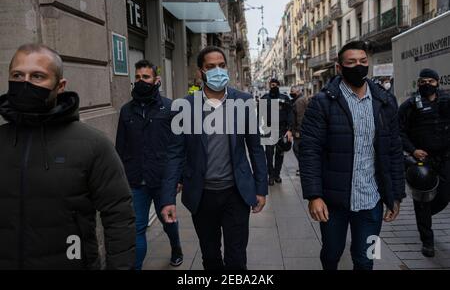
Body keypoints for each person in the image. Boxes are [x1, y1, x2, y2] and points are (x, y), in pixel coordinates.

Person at [0, 44, 135, 270]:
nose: (25, 83)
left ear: (60, 86)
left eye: (37, 76)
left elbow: (119, 215)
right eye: (17, 75)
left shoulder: (93, 144)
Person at [299, 41, 405, 270]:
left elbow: (394, 150)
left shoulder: (386, 101)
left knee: (367, 257)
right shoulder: (322, 102)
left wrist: (395, 195)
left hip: (372, 199)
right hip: (333, 200)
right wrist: (314, 195)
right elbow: (310, 151)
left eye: (363, 61)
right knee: (331, 253)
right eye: (351, 62)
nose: (358, 66)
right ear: (339, 67)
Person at [160, 46, 268, 270]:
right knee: (210, 257)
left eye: (221, 65)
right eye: (210, 67)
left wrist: (261, 188)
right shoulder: (185, 107)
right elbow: (175, 154)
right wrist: (168, 197)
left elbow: (256, 148)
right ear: (201, 72)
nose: (217, 70)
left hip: (236, 194)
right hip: (202, 196)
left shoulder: (244, 102)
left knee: (237, 258)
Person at [116, 60, 183, 270]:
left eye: (145, 77)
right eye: (137, 77)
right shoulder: (126, 111)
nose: (140, 81)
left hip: (163, 179)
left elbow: (179, 147)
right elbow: (120, 147)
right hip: (136, 179)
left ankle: (176, 247)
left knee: (168, 221)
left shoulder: (171, 108)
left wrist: (179, 178)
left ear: (156, 80)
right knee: (137, 228)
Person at [398, 68, 450, 257]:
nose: (426, 84)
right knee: (422, 201)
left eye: (430, 81)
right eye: (422, 82)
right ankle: (427, 240)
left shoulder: (446, 102)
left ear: (437, 82)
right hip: (422, 162)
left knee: (444, 197)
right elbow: (399, 131)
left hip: (444, 158)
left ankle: (427, 214)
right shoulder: (410, 105)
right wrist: (413, 150)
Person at [260, 79, 293, 185]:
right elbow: (259, 116)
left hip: (282, 130)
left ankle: (277, 175)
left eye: (274, 85)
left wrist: (289, 130)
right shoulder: (265, 98)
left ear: (278, 85)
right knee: (269, 155)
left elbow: (290, 115)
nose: (272, 87)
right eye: (271, 85)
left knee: (280, 154)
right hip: (269, 130)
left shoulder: (285, 98)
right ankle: (271, 176)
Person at [290, 86, 309, 177]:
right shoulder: (301, 99)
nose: (291, 93)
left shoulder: (299, 101)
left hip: (300, 131)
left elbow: (300, 117)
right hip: (303, 130)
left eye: (292, 91)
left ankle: (303, 167)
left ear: (297, 92)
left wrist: (298, 131)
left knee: (297, 149)